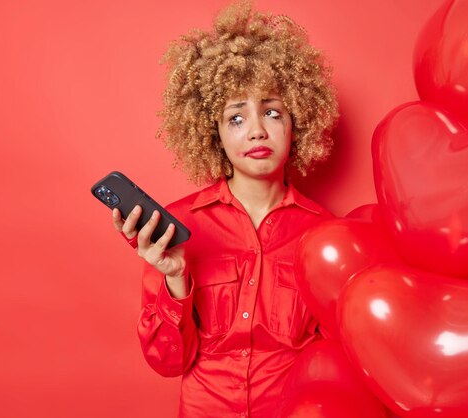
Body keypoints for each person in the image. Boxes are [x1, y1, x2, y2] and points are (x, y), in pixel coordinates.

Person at [111, 1, 339, 417]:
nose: (256, 130)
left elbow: (337, 361)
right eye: (236, 118)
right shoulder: (176, 226)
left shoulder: (327, 235)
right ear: (212, 132)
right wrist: (175, 278)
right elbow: (168, 363)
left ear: (297, 122)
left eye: (272, 112)